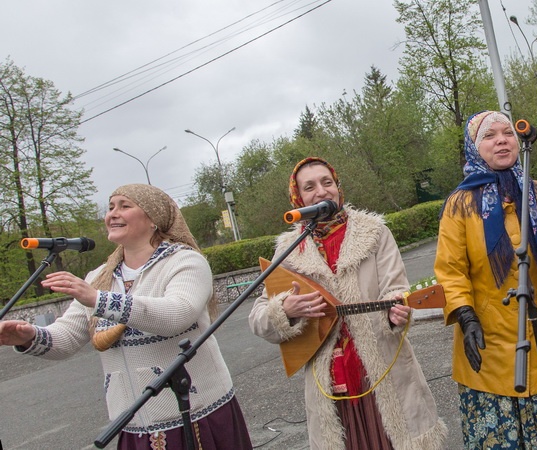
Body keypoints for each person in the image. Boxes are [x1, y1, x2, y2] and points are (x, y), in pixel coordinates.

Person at [0, 184, 253, 449]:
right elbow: (66, 338)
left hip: (196, 418)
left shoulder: (185, 262)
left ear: (154, 218)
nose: (112, 214)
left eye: (124, 206)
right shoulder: (100, 277)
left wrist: (98, 299)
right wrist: (28, 336)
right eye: (110, 208)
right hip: (133, 425)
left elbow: (177, 314)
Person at [248, 157, 446, 450]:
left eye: (327, 182)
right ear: (298, 198)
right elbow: (259, 319)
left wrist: (394, 313)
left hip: (384, 374)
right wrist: (285, 310)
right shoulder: (288, 250)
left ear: (338, 188)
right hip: (329, 388)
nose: (321, 191)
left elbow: (396, 288)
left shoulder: (374, 232)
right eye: (310, 187)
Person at [434, 110, 537, 449]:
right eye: (489, 135)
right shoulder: (460, 205)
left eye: (507, 133)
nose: (502, 140)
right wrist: (465, 315)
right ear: (474, 148)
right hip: (487, 343)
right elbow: (450, 269)